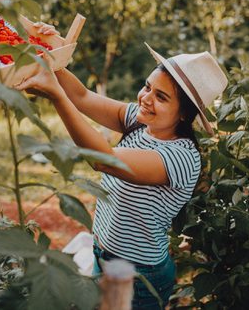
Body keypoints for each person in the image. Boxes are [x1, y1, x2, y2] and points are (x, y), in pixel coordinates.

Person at [16, 25, 228, 309]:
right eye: (148, 86)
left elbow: (103, 159)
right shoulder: (139, 122)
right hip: (103, 253)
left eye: (161, 97)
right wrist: (50, 53)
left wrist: (56, 96)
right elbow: (81, 97)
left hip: (135, 272)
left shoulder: (180, 157)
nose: (146, 98)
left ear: (184, 115)